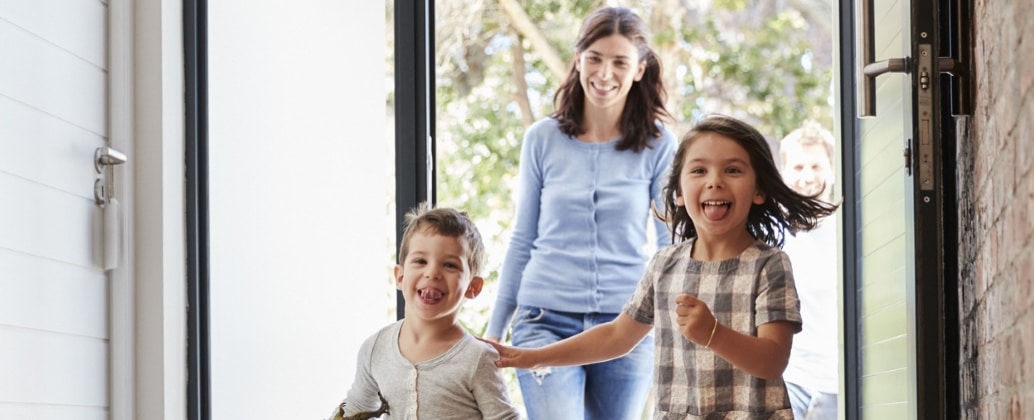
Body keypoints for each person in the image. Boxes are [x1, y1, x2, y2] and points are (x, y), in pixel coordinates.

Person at [487, 114, 839, 419]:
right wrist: (532, 357)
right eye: (699, 170)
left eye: (732, 170)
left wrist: (713, 334)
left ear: (759, 190)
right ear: (680, 195)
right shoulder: (665, 265)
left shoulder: (770, 265)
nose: (715, 180)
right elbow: (615, 336)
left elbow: (773, 360)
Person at [483, 6, 677, 420]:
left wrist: (675, 325)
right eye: (595, 58)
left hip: (627, 325)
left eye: (620, 62)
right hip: (543, 320)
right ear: (578, 59)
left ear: (639, 69)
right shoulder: (542, 139)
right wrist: (494, 329)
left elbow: (669, 247)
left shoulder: (659, 145)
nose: (605, 73)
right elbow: (523, 236)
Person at [332, 204, 520, 420]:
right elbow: (355, 409)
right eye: (420, 261)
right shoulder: (375, 349)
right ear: (400, 276)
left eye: (449, 265)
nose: (432, 273)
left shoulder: (478, 358)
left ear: (473, 287)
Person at [777, 121, 841, 419]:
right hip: (788, 376)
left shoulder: (848, 228)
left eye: (816, 166)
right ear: (784, 172)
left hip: (837, 380)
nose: (807, 177)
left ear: (831, 168)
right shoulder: (770, 232)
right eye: (799, 167)